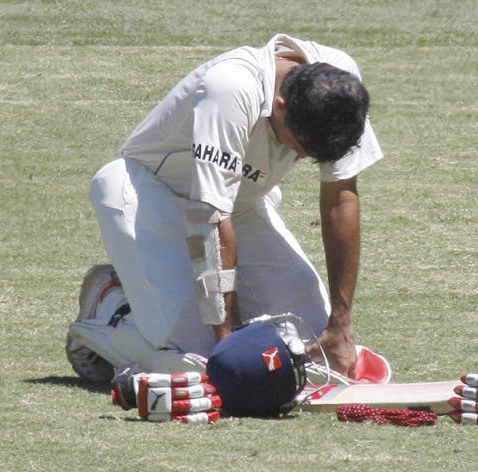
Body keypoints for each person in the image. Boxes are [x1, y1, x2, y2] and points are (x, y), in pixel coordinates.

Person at [74, 33, 383, 380]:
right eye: (300, 147)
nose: (301, 157)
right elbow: (211, 218)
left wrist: (340, 323)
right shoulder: (230, 88)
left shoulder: (340, 85)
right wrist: (228, 348)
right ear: (280, 104)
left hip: (240, 202)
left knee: (309, 338)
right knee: (199, 355)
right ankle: (109, 310)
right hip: (148, 193)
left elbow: (341, 196)